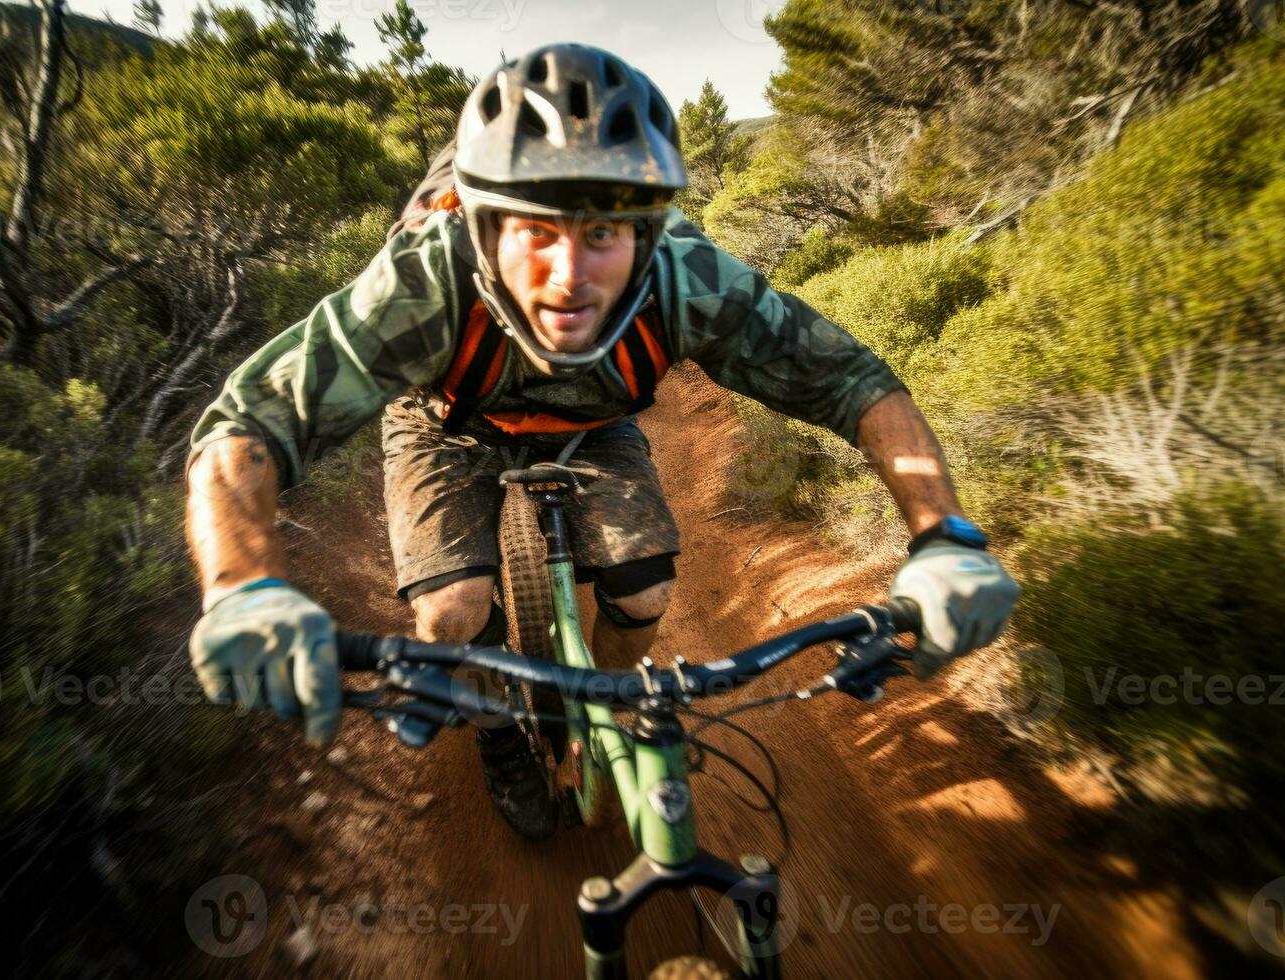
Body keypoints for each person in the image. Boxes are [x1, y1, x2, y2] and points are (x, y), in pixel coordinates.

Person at [184, 43, 1020, 840]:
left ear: (648, 235)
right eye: (536, 232)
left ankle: (608, 704)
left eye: (602, 234)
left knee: (647, 590)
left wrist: (945, 535)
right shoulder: (423, 283)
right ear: (481, 233)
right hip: (443, 424)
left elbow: (854, 382)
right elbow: (251, 422)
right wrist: (241, 587)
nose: (569, 278)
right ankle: (497, 733)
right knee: (450, 611)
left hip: (592, 425)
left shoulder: (686, 278)